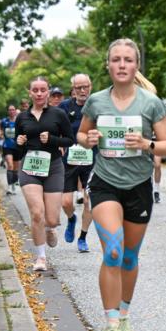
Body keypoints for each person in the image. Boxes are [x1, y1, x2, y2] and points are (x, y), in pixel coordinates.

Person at [78, 38, 166, 331]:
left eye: (128, 60)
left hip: (139, 186)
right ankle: (111, 328)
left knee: (130, 258)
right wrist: (88, 139)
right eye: (116, 59)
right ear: (108, 65)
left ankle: (124, 316)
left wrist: (145, 144)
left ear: (136, 66)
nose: (122, 65)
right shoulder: (95, 102)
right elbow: (82, 134)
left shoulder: (150, 103)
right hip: (105, 183)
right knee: (114, 253)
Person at [15, 77, 75, 272]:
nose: (39, 93)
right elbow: (17, 149)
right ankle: (41, 257)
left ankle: (50, 228)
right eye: (35, 90)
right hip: (30, 167)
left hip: (53, 167)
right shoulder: (22, 117)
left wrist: (52, 139)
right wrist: (20, 142)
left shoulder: (58, 114)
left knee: (51, 218)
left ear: (48, 92)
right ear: (30, 92)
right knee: (36, 213)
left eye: (43, 90)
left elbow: (69, 141)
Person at [59, 74, 95, 253]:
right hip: (69, 160)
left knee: (90, 201)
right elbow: (55, 127)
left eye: (85, 87)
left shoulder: (98, 105)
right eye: (78, 87)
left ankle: (83, 237)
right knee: (66, 202)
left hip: (92, 159)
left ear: (90, 86)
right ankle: (71, 218)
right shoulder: (65, 107)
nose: (82, 91)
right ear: (73, 89)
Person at [0, 105, 21, 194]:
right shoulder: (4, 121)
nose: (11, 111)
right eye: (10, 110)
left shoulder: (19, 121)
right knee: (10, 165)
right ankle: (9, 187)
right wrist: (1, 134)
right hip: (7, 146)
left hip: (17, 147)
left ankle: (13, 186)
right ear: (8, 112)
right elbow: (0, 129)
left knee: (16, 168)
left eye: (13, 110)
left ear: (15, 111)